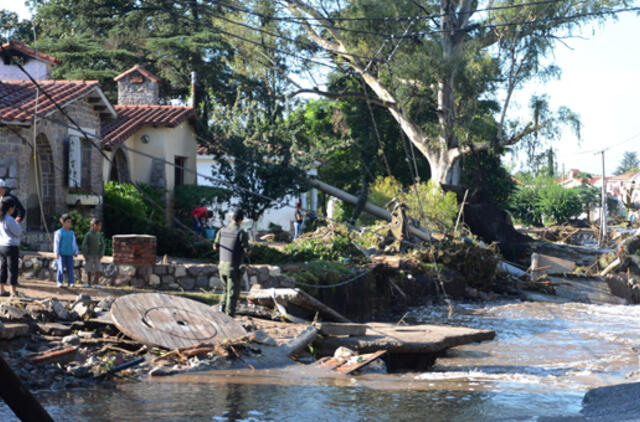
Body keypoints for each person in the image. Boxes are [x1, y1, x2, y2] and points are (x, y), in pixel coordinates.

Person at [213, 209, 250, 317]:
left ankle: (221, 310)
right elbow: (247, 251)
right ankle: (229, 315)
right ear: (241, 220)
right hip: (233, 267)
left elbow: (215, 247)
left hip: (221, 266)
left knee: (225, 290)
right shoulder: (241, 233)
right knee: (233, 293)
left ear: (231, 218)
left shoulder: (222, 230)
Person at [0, 197, 22, 297]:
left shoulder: (1, 218)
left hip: (2, 246)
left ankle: (2, 290)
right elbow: (17, 232)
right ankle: (13, 292)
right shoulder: (9, 219)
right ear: (10, 208)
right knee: (12, 269)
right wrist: (17, 224)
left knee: (3, 268)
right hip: (11, 246)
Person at [53, 213, 79, 288]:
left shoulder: (72, 233)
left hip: (69, 254)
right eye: (67, 222)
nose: (69, 224)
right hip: (61, 254)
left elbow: (74, 243)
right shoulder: (58, 232)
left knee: (70, 269)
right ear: (62, 222)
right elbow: (56, 243)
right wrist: (56, 252)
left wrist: (76, 251)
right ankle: (59, 282)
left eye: (70, 222)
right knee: (60, 268)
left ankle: (71, 282)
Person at [81, 218, 105, 288]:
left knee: (98, 269)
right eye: (99, 225)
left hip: (97, 255)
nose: (100, 227)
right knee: (89, 269)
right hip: (89, 255)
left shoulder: (99, 234)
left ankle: (97, 283)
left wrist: (101, 253)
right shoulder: (88, 234)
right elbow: (84, 245)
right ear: (94, 225)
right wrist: (85, 254)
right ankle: (89, 283)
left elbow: (103, 244)